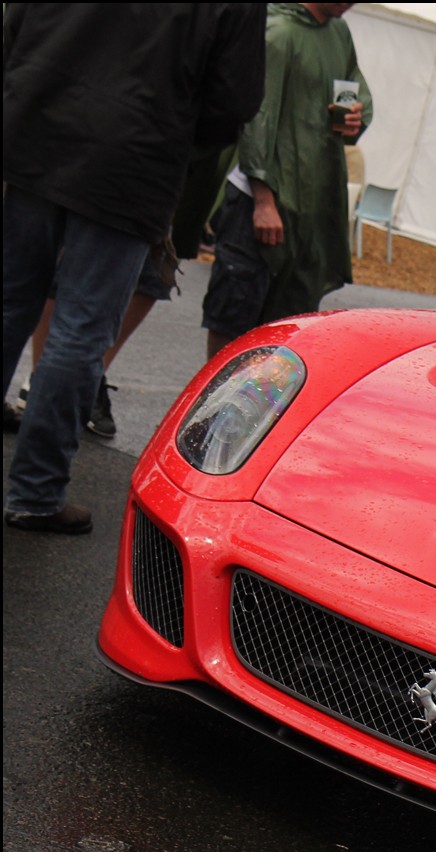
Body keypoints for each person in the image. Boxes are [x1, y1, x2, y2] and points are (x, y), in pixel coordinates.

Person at [3, 3, 266, 533]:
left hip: (36, 123)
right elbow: (233, 98)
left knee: (11, 303)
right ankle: (34, 492)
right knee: (81, 332)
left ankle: (36, 489)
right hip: (132, 156)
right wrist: (172, 137)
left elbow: (18, 23)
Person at [202, 2, 372, 360]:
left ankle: (259, 407)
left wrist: (356, 117)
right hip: (259, 200)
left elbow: (355, 92)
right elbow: (256, 120)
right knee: (235, 312)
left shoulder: (337, 33)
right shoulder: (278, 33)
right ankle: (218, 402)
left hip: (309, 199)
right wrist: (264, 201)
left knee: (288, 320)